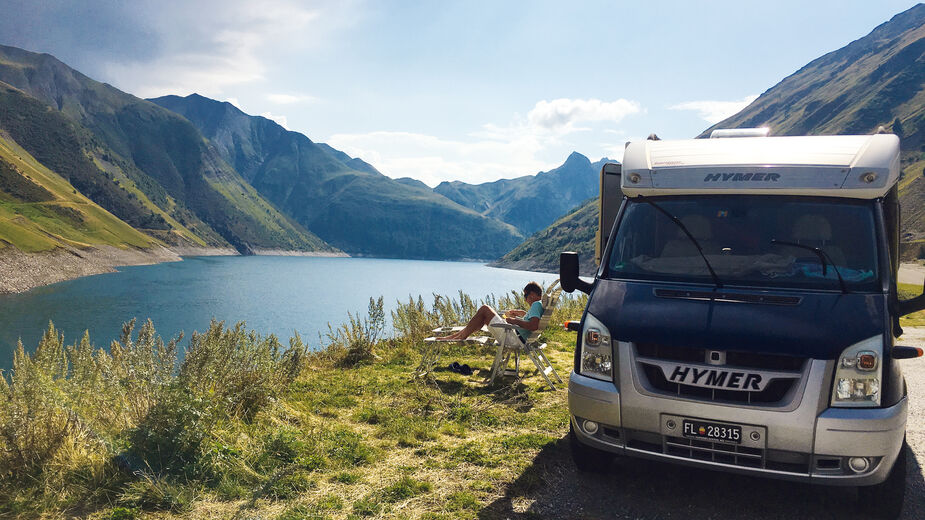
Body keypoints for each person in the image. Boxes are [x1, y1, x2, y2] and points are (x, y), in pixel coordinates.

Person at [438, 282, 544, 344]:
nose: (525, 300)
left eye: (526, 296)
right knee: (483, 317)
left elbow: (533, 326)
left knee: (485, 309)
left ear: (533, 294)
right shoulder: (539, 305)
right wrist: (523, 313)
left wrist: (513, 320)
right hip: (517, 336)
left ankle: (459, 336)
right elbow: (532, 321)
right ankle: (458, 336)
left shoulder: (536, 305)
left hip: (514, 338)